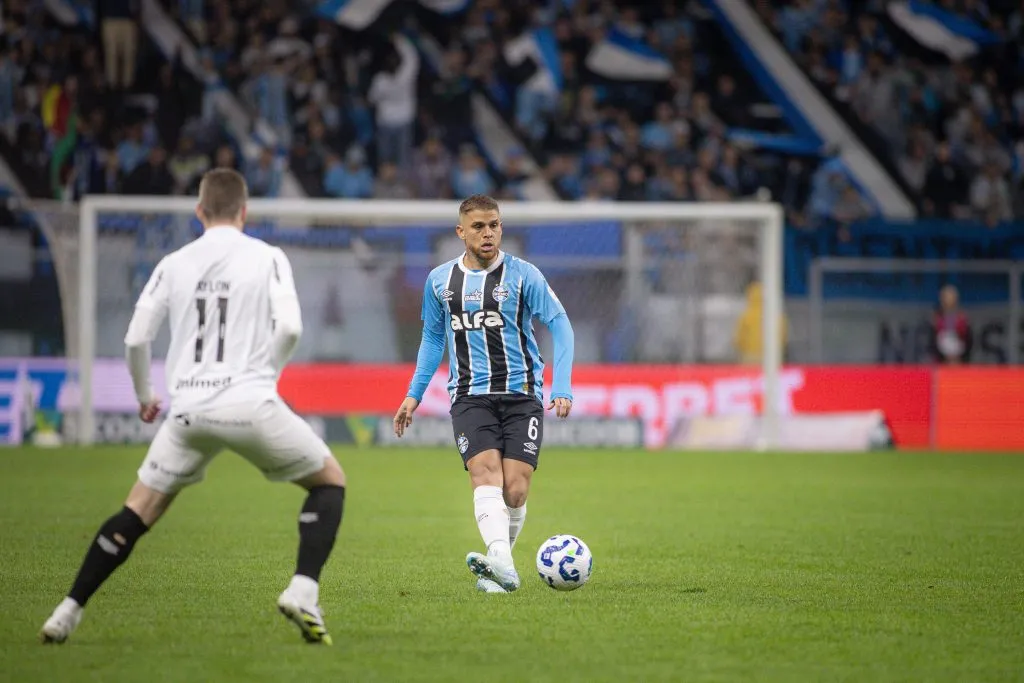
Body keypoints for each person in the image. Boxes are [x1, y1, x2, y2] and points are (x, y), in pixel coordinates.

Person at [39, 169, 346, 645]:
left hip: (187, 412)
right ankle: (303, 591)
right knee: (329, 481)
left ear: (199, 211)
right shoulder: (268, 256)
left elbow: (136, 338)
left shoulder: (173, 263)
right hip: (249, 402)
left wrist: (146, 395)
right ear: (244, 211)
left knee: (139, 509)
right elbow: (289, 328)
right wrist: (265, 374)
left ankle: (67, 611)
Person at [393, 194, 575, 594]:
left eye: (494, 225)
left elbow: (561, 324)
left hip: (521, 393)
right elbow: (432, 339)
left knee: (515, 489)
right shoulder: (440, 281)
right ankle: (503, 565)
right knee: (485, 473)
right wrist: (413, 394)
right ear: (461, 232)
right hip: (469, 395)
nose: (488, 233)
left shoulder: (524, 275)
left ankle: (497, 570)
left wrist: (562, 384)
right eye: (478, 226)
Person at [930, 284, 972, 364]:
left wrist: (960, 357)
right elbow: (932, 342)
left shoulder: (962, 319)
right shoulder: (937, 319)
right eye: (945, 297)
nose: (948, 300)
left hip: (959, 361)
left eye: (951, 297)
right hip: (941, 361)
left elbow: (968, 341)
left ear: (956, 299)